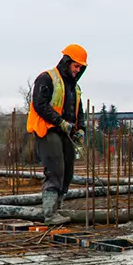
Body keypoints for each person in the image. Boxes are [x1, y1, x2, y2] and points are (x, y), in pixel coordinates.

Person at [26, 44, 88, 226]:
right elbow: (39, 104)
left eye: (80, 68)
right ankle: (50, 213)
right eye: (76, 66)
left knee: (67, 170)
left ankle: (57, 208)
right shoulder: (47, 78)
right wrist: (60, 121)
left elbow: (79, 111)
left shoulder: (74, 87)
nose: (78, 70)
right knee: (55, 169)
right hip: (48, 130)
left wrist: (81, 129)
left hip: (65, 132)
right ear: (67, 62)